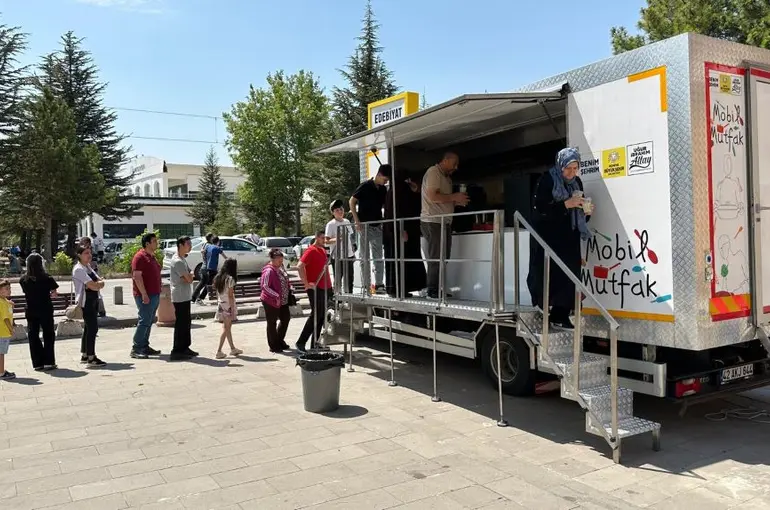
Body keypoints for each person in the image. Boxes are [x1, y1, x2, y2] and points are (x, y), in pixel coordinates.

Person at [527, 147, 594, 329]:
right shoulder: (547, 180)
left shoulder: (576, 182)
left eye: (575, 168)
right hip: (549, 235)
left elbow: (577, 210)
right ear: (560, 165)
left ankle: (561, 314)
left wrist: (585, 211)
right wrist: (565, 204)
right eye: (568, 168)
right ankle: (542, 306)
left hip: (569, 235)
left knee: (569, 275)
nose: (572, 173)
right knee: (548, 272)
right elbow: (540, 210)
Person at [420, 152, 468, 298]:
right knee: (436, 257)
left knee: (443, 257)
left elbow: (441, 199)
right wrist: (454, 197)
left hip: (444, 222)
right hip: (433, 221)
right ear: (445, 160)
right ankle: (432, 290)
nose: (456, 167)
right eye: (454, 163)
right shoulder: (434, 172)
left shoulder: (447, 178)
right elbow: (432, 196)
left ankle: (437, 289)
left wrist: (455, 201)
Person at [384, 169, 426, 297]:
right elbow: (402, 210)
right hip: (402, 230)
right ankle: (399, 289)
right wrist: (402, 229)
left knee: (397, 259)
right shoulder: (400, 190)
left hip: (395, 231)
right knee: (403, 259)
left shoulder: (394, 190)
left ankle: (396, 289)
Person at [349, 164, 391, 293]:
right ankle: (366, 285)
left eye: (387, 181)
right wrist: (357, 221)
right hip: (364, 226)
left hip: (377, 225)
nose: (385, 182)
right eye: (385, 179)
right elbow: (351, 201)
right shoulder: (365, 186)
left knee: (378, 256)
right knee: (364, 257)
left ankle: (379, 284)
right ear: (378, 175)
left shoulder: (383, 189)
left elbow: (386, 204)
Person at [19, 253, 58, 371]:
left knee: (33, 335)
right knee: (48, 334)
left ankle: (37, 362)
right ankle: (49, 361)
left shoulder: (23, 280)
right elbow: (54, 294)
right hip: (45, 308)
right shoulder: (47, 278)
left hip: (31, 309)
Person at [295, 231, 332, 352]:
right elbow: (299, 266)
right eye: (322, 238)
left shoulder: (322, 250)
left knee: (321, 316)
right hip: (315, 287)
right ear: (316, 237)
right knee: (315, 315)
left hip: (325, 286)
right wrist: (306, 283)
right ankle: (301, 342)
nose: (324, 240)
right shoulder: (311, 250)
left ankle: (315, 343)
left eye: (325, 238)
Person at [72, 246, 106, 367]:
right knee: (92, 328)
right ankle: (91, 358)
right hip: (86, 302)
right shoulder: (79, 269)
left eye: (90, 253)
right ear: (79, 254)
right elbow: (92, 285)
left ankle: (85, 354)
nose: (89, 255)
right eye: (86, 253)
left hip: (94, 300)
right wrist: (96, 285)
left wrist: (97, 284)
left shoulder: (88, 267)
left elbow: (99, 281)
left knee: (88, 328)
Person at [130, 232, 162, 359]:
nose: (156, 243)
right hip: (145, 295)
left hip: (154, 293)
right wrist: (144, 294)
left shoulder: (152, 256)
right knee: (144, 321)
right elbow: (137, 277)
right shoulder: (140, 257)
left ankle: (144, 345)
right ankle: (136, 347)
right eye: (154, 241)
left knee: (149, 321)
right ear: (147, 243)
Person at [169, 236, 198, 361]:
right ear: (180, 245)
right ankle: (177, 350)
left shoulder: (182, 259)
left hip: (185, 294)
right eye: (188, 244)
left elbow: (189, 275)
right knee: (181, 324)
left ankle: (185, 347)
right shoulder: (178, 261)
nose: (190, 246)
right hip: (180, 296)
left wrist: (188, 276)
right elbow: (189, 278)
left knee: (186, 322)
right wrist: (189, 276)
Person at [260, 248, 292, 353]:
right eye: (279, 260)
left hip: (283, 300)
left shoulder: (281, 267)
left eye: (282, 260)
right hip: (270, 301)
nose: (281, 262)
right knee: (272, 322)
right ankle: (273, 345)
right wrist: (276, 295)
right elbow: (264, 286)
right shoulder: (269, 270)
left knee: (285, 318)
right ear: (272, 259)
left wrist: (289, 287)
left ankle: (279, 340)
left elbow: (285, 279)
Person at [213, 258, 243, 359]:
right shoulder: (230, 279)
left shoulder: (218, 277)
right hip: (228, 305)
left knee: (227, 327)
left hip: (221, 304)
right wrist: (232, 309)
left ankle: (232, 348)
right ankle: (219, 351)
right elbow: (230, 295)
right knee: (226, 328)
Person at [325, 199, 355, 294]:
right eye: (337, 210)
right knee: (338, 278)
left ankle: (350, 297)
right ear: (333, 212)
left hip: (349, 255)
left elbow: (350, 237)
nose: (340, 211)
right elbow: (326, 241)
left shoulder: (346, 221)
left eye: (341, 209)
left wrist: (353, 250)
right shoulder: (330, 224)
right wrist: (338, 238)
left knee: (350, 278)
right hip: (337, 256)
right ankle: (337, 299)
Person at [192, 233, 214, 304]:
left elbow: (202, 251)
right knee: (209, 284)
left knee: (202, 283)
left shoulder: (204, 245)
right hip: (208, 268)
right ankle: (199, 298)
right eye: (213, 237)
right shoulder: (209, 246)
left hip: (204, 267)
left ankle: (193, 298)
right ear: (210, 238)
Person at [0, 279, 15, 380]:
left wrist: (10, 303)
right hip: (3, 332)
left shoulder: (4, 301)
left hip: (3, 332)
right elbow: (5, 319)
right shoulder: (2, 303)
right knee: (1, 353)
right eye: (6, 289)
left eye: (9, 288)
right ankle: (1, 372)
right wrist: (11, 329)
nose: (9, 290)